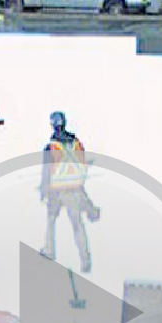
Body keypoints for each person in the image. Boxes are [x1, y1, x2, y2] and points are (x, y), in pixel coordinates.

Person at [40, 111, 99, 272]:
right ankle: (85, 260)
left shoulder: (50, 147)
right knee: (77, 225)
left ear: (52, 125)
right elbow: (83, 163)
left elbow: (46, 172)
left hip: (56, 190)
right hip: (75, 188)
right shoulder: (76, 143)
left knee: (51, 220)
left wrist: (43, 190)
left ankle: (49, 250)